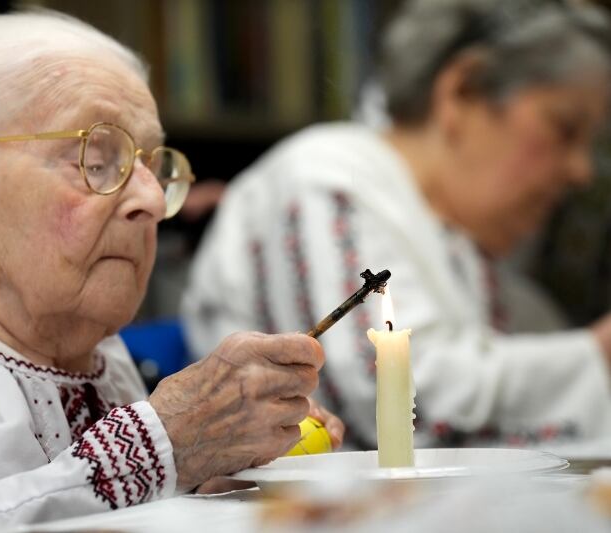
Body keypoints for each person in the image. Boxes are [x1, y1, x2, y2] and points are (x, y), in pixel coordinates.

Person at [0, 12, 344, 533]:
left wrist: (220, 471)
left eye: (153, 167)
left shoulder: (107, 364)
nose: (149, 199)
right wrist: (149, 450)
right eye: (96, 160)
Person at [183, 0, 611, 450]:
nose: (581, 170)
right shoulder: (326, 181)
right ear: (460, 91)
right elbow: (392, 414)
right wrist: (598, 353)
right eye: (564, 128)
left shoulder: (467, 253)